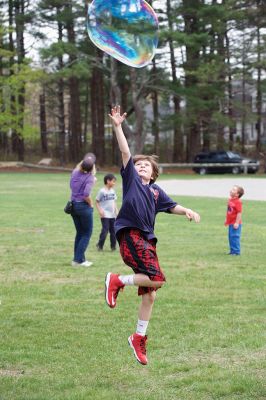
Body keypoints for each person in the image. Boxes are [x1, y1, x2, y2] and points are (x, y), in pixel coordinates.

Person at [104, 105, 201, 365]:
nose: (141, 167)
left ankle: (138, 337)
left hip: (146, 241)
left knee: (151, 292)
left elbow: (172, 206)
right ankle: (117, 280)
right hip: (131, 235)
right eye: (138, 165)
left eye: (146, 166)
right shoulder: (133, 181)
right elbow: (125, 151)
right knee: (157, 278)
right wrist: (117, 126)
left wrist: (187, 211)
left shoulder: (157, 192)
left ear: (154, 173)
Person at [70, 153, 97, 267]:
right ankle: (78, 260)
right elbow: (86, 194)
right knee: (86, 233)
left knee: (80, 233)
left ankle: (78, 259)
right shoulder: (90, 178)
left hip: (73, 205)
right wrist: (91, 204)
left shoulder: (74, 173)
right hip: (83, 207)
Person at [95, 173, 118, 251]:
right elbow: (97, 202)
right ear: (108, 181)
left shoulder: (113, 191)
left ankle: (113, 247)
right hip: (105, 215)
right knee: (105, 231)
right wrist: (100, 210)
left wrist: (116, 211)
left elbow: (114, 202)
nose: (114, 183)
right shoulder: (102, 191)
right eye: (113, 181)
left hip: (112, 215)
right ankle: (100, 246)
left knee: (113, 232)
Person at [224, 185, 244, 255]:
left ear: (237, 194)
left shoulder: (238, 202)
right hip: (230, 222)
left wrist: (237, 223)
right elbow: (229, 211)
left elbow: (239, 213)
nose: (231, 190)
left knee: (235, 237)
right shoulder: (230, 200)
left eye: (233, 190)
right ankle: (232, 251)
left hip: (235, 223)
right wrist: (226, 219)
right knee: (231, 237)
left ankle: (236, 251)